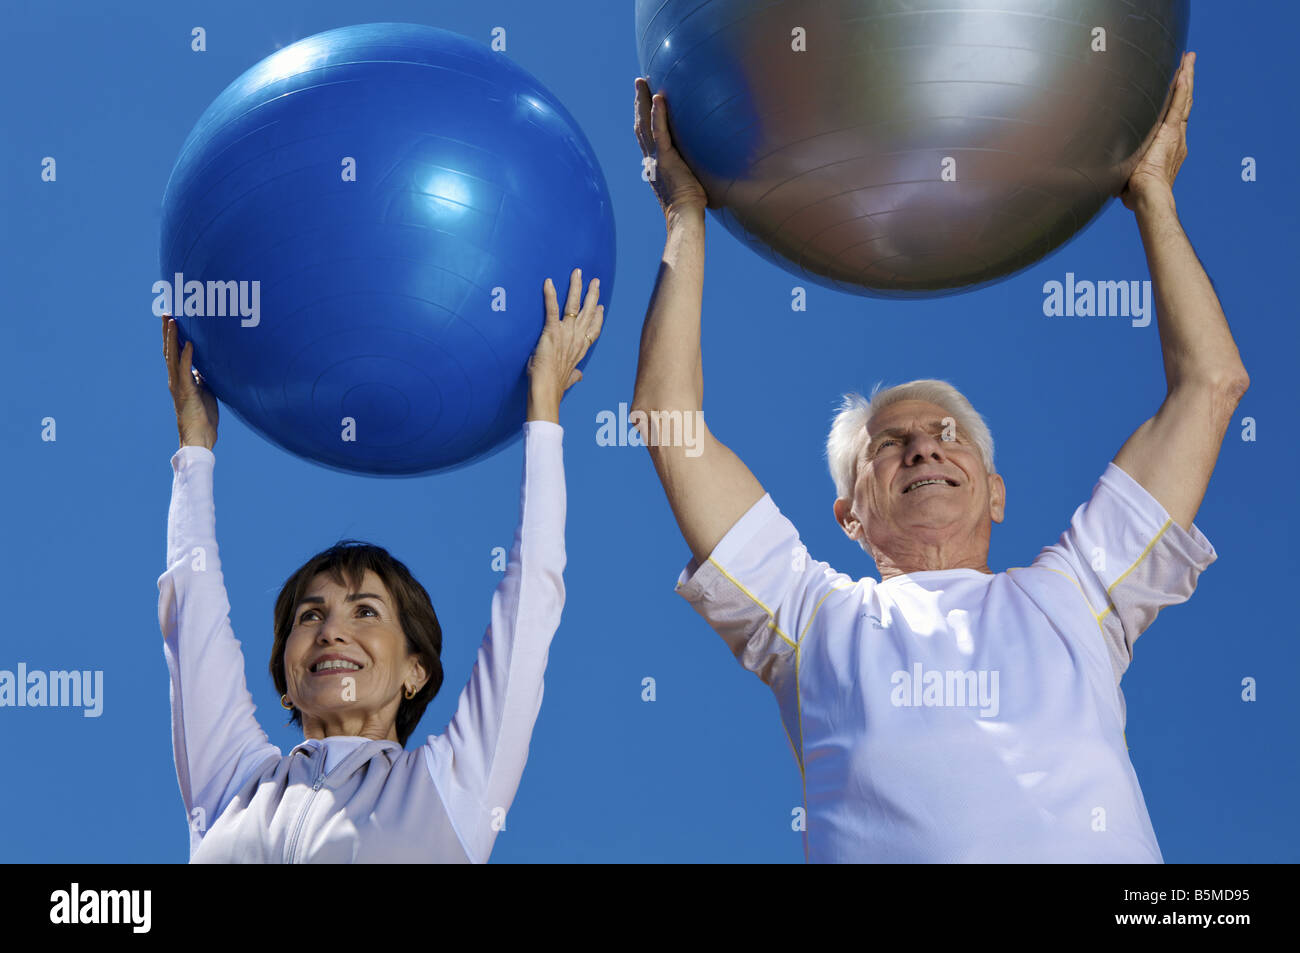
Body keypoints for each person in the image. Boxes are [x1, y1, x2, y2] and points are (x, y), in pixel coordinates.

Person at [631, 53, 1249, 862]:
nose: (924, 444)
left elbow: (1211, 383)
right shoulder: (815, 619)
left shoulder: (1076, 592)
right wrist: (685, 212)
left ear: (995, 493)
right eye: (890, 445)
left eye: (947, 436)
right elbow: (666, 418)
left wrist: (1153, 195)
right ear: (849, 514)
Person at [157, 270, 603, 863]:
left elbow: (532, 602)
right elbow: (192, 613)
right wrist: (195, 448)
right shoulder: (231, 786)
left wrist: (543, 412)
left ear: (415, 671)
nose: (330, 630)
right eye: (309, 616)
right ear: (288, 681)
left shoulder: (451, 789)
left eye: (365, 611)